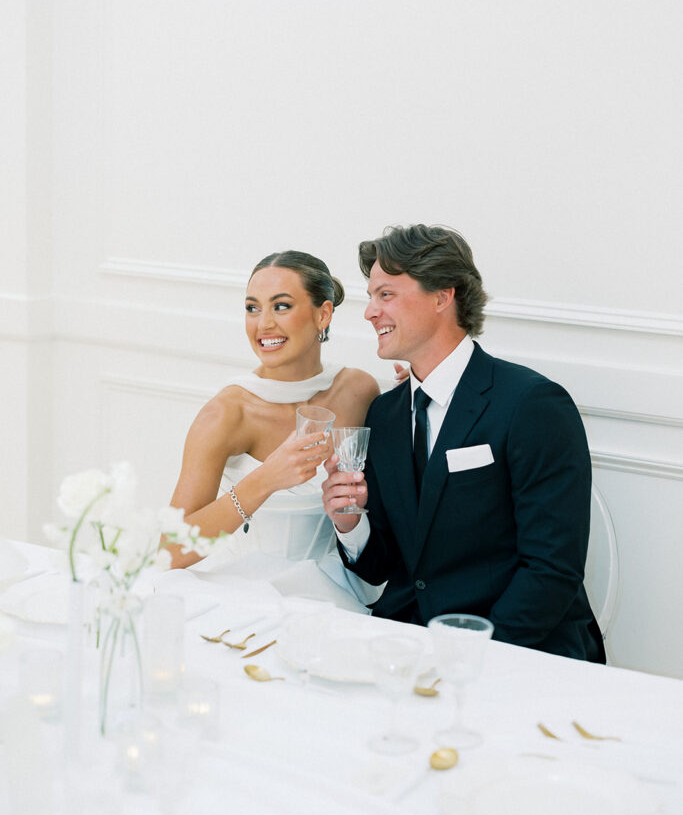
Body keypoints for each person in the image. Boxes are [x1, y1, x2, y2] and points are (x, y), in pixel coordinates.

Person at [322, 224, 605, 661]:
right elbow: (385, 566)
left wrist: (472, 660)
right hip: (408, 645)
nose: (369, 312)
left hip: (518, 651)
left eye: (386, 294)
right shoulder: (386, 414)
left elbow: (551, 570)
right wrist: (350, 521)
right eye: (370, 296)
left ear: (442, 296)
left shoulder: (532, 404)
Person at [164, 250, 385, 612]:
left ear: (322, 314)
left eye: (280, 306)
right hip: (240, 592)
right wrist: (265, 479)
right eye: (252, 308)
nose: (263, 324)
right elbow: (168, 550)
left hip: (335, 592)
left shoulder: (358, 390)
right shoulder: (226, 414)